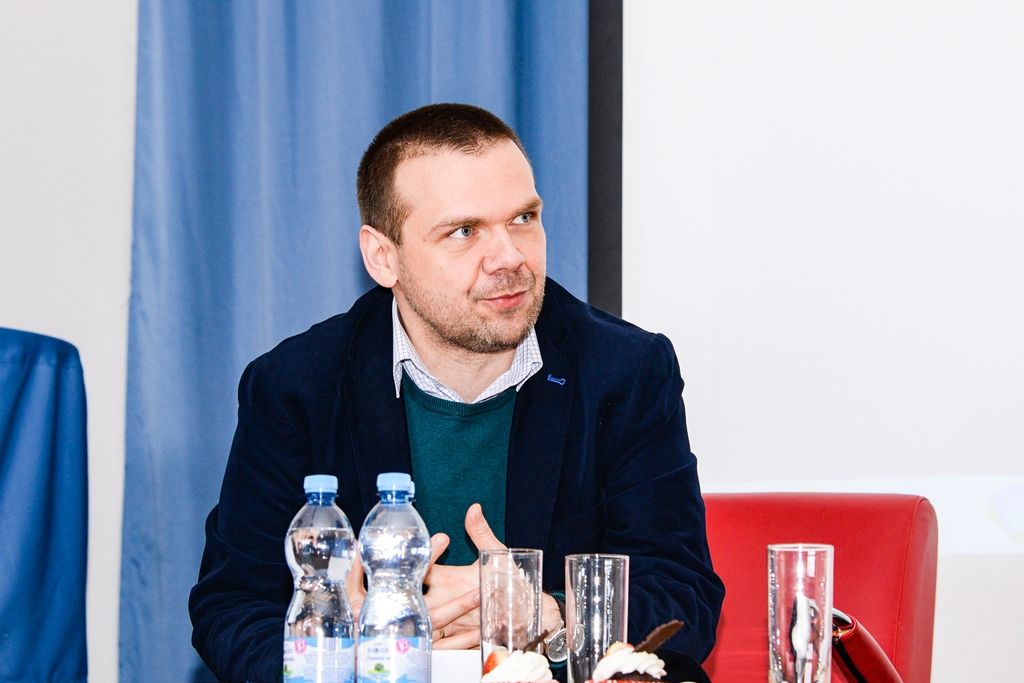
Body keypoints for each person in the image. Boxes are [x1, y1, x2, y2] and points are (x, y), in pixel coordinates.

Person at [189, 103, 724, 682]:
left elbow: (683, 594)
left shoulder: (625, 371)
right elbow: (233, 607)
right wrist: (341, 641)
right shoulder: (297, 386)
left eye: (523, 218)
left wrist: (547, 615)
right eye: (464, 231)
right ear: (383, 257)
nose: (510, 257)